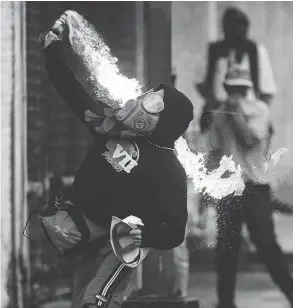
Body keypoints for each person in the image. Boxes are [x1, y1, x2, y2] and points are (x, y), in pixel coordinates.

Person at [40, 11, 194, 308]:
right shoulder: (109, 128)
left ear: (167, 120)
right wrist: (53, 48)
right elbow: (72, 92)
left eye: (154, 102)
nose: (144, 101)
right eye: (149, 94)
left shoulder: (169, 169)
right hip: (84, 236)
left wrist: (140, 234)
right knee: (78, 302)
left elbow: (175, 229)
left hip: (116, 247)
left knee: (94, 303)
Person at [207, 63, 293, 308]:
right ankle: (225, 303)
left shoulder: (259, 111)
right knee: (226, 252)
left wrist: (235, 114)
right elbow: (214, 152)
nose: (237, 95)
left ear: (249, 90)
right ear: (226, 88)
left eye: (241, 90)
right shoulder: (219, 115)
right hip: (229, 189)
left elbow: (248, 141)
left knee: (268, 249)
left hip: (255, 188)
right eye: (232, 89)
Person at [197, 6, 277, 134]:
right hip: (218, 111)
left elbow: (267, 92)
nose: (234, 33)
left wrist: (256, 112)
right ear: (223, 29)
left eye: (238, 28)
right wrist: (217, 104)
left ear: (246, 29)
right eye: (230, 28)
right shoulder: (214, 51)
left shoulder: (257, 52)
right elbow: (201, 84)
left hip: (249, 114)